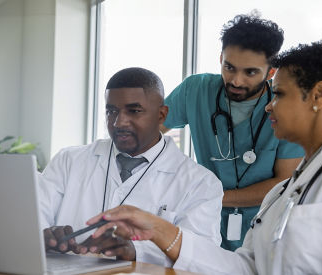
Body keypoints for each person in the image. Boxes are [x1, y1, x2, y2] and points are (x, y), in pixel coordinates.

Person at [85, 41, 322, 274]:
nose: (269, 105)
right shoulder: (280, 194)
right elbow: (244, 268)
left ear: (318, 95)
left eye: (280, 94)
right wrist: (159, 230)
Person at [38, 67, 223, 267]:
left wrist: (137, 251)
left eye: (134, 111)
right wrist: (44, 235)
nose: (119, 122)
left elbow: (204, 259)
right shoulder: (68, 161)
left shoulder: (200, 183)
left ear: (162, 115)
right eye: (111, 111)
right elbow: (32, 217)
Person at [162, 13, 303, 250]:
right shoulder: (195, 91)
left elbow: (284, 181)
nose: (236, 81)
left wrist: (212, 197)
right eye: (229, 67)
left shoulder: (286, 108)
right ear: (220, 58)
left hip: (264, 229)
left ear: (270, 72)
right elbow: (147, 133)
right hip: (203, 225)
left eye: (250, 72)